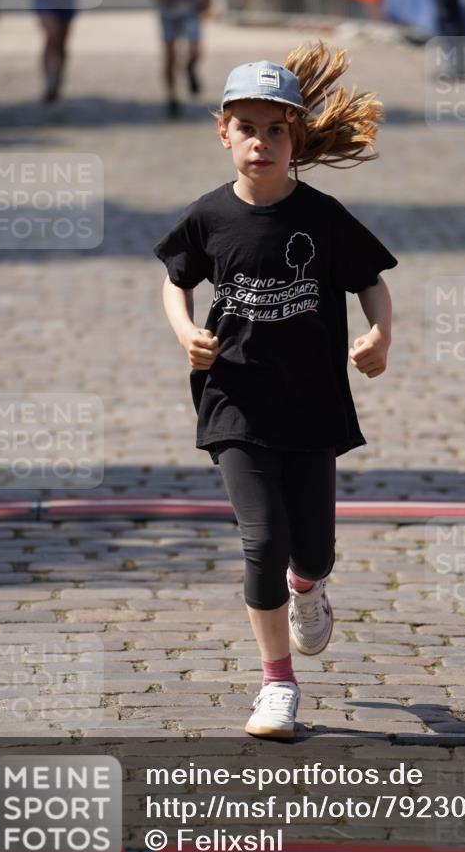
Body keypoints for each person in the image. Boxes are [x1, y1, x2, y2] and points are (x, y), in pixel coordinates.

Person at [153, 41, 398, 741]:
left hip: (312, 401)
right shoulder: (208, 216)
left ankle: (308, 588)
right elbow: (176, 279)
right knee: (262, 539)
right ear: (222, 132)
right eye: (247, 127)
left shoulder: (321, 216)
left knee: (310, 550)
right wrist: (182, 332)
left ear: (295, 136)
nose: (260, 142)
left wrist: (378, 336)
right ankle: (277, 686)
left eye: (276, 129)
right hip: (233, 399)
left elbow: (371, 282)